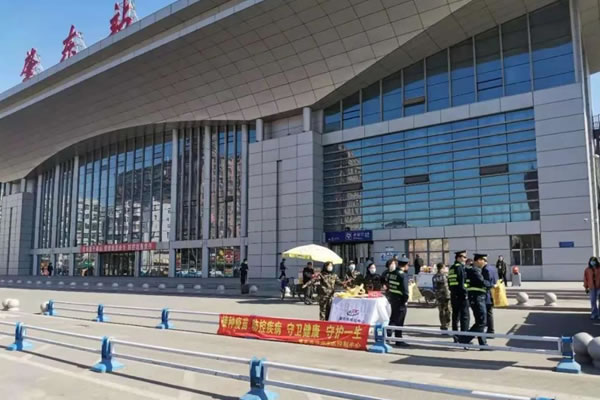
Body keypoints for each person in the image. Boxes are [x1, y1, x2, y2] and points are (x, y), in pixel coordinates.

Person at [461, 253, 492, 347]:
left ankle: (482, 343)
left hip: (476, 297)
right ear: (479, 260)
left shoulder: (471, 269)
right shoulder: (475, 270)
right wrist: (490, 284)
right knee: (482, 321)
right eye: (484, 260)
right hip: (477, 297)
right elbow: (482, 282)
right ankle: (464, 339)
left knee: (480, 321)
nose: (485, 262)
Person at [385, 257, 410, 347]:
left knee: (393, 318)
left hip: (393, 298)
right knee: (399, 320)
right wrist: (405, 300)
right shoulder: (403, 275)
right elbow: (405, 291)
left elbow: (388, 285)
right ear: (406, 265)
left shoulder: (391, 273)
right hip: (400, 300)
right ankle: (398, 339)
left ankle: (388, 336)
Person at [448, 250, 469, 343]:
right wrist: (466, 293)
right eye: (464, 257)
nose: (465, 259)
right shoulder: (460, 267)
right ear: (459, 258)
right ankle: (464, 338)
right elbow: (462, 283)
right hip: (461, 295)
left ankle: (455, 336)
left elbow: (450, 282)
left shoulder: (452, 268)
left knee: (455, 316)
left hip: (454, 294)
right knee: (464, 317)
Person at [432, 263, 451, 331]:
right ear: (442, 268)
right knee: (447, 310)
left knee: (441, 311)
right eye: (445, 268)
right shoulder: (445, 276)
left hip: (438, 296)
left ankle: (443, 324)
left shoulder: (434, 276)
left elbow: (434, 287)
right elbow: (448, 286)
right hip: (446, 295)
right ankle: (447, 324)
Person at [482, 259, 498, 334]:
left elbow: (486, 282)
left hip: (487, 293)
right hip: (492, 293)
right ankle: (489, 328)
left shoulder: (485, 269)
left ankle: (490, 330)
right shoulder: (493, 268)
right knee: (489, 312)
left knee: (487, 313)